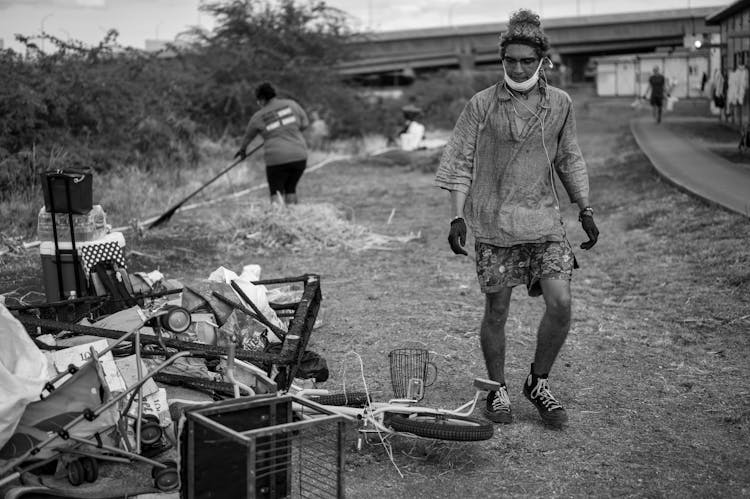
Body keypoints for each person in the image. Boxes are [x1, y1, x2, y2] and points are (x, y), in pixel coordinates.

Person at [434, 9, 599, 429]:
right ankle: (497, 388)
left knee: (561, 303)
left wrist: (584, 207)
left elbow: (568, 157)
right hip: (494, 222)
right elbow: (459, 160)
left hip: (544, 221)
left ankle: (537, 382)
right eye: (511, 61)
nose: (519, 67)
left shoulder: (559, 104)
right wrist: (457, 217)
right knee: (497, 310)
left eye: (527, 60)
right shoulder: (483, 105)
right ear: (502, 60)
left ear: (542, 60)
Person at [235, 82, 310, 204]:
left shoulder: (258, 116)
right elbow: (305, 124)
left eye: (258, 101)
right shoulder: (292, 104)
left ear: (262, 99)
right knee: (290, 188)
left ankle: (278, 221)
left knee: (276, 191)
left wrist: (242, 151)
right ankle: (294, 217)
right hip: (299, 156)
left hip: (277, 159)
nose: (258, 104)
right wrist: (290, 131)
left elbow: (247, 137)